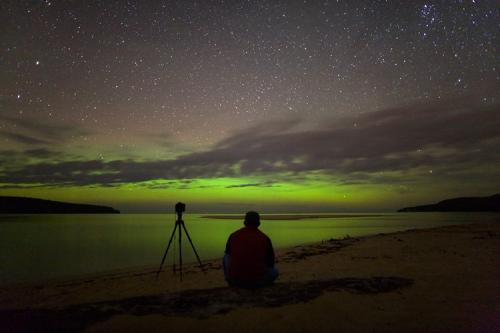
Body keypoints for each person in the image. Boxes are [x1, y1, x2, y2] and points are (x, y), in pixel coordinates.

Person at [223, 211, 278, 288]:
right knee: (275, 271)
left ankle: (230, 279)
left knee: (226, 255)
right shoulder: (264, 238)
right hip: (258, 281)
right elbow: (271, 262)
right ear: (258, 223)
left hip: (236, 281)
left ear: (245, 222)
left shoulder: (233, 235)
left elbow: (228, 254)